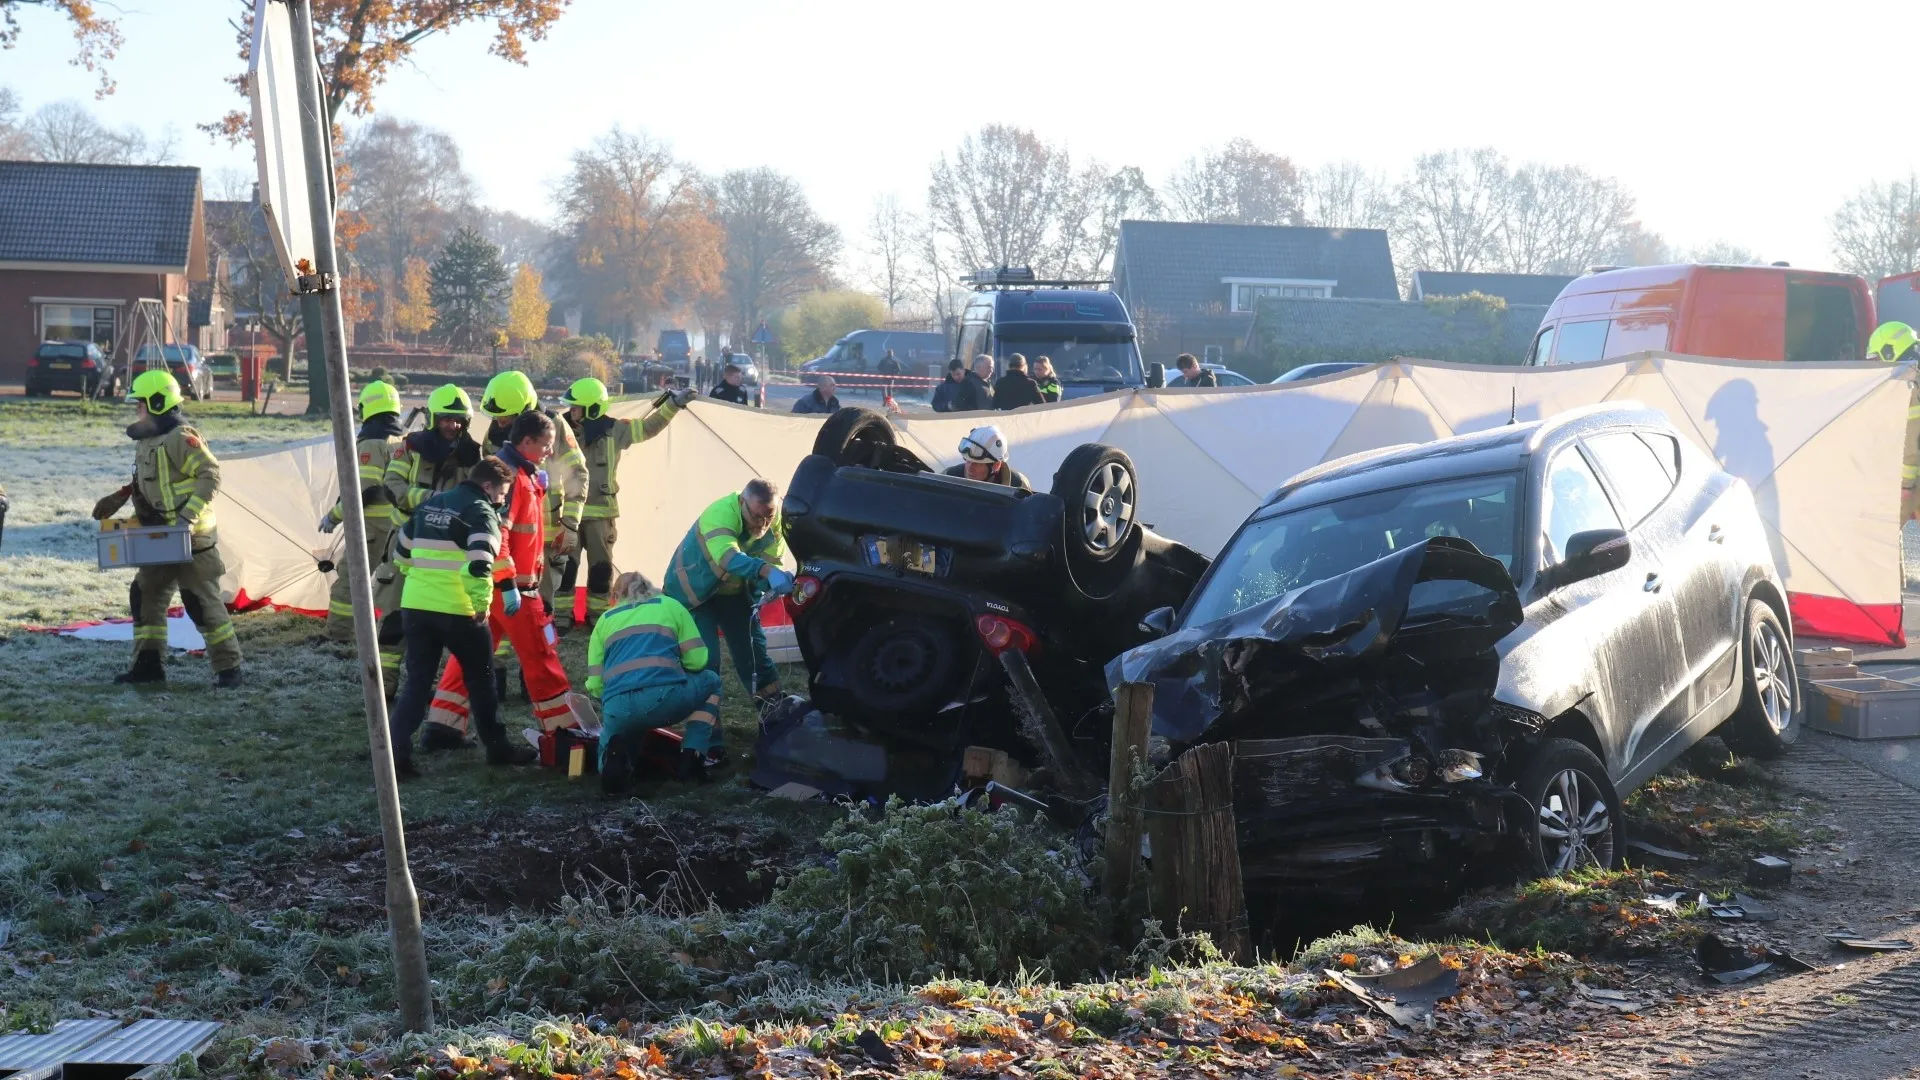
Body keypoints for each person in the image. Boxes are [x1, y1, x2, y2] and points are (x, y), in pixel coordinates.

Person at [421, 410, 577, 742]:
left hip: (493, 588)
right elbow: (499, 537)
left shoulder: (518, 474)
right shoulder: (514, 480)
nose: (551, 451)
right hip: (514, 590)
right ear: (527, 441)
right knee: (541, 657)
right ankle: (566, 731)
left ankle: (442, 727)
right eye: (547, 444)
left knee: (471, 656)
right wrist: (509, 585)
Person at [93, 370, 243, 687]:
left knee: (201, 604)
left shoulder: (180, 438)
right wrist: (122, 496)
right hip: (161, 539)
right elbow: (153, 484)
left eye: (141, 404)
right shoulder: (148, 440)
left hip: (193, 541)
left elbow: (210, 475)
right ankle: (148, 667)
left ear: (159, 403)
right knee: (145, 596)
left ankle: (229, 669)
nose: (137, 411)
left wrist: (187, 518)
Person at [388, 456, 533, 776]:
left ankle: (395, 755)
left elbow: (401, 554)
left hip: (416, 607)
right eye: (501, 494)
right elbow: (480, 564)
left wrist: (423, 581)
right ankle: (498, 749)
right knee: (482, 682)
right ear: (487, 486)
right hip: (458, 610)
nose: (503, 501)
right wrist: (481, 606)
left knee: (416, 684)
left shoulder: (431, 505)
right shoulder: (480, 512)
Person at [558, 376, 695, 628]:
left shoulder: (614, 430)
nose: (571, 411)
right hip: (568, 516)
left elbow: (648, 428)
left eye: (576, 407)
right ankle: (560, 618)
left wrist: (673, 405)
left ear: (592, 408)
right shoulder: (560, 429)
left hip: (601, 516)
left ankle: (597, 618)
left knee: (601, 570)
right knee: (566, 568)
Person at [375, 383, 483, 692]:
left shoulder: (473, 457)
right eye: (446, 419)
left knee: (448, 622)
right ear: (434, 418)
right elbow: (392, 485)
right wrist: (433, 499)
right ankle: (385, 686)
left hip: (447, 555)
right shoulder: (409, 447)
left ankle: (439, 688)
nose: (453, 426)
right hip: (404, 548)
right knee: (394, 619)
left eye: (459, 420)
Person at [663, 479, 794, 710]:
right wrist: (766, 571)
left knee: (754, 653)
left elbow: (772, 561)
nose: (763, 524)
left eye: (769, 516)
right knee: (706, 660)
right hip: (694, 594)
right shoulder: (720, 513)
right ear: (742, 502)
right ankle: (706, 737)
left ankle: (773, 713)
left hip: (733, 593)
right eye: (756, 517)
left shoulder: (775, 523)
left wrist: (772, 584)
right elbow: (727, 557)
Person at [589, 572, 726, 791]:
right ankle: (692, 754)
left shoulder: (604, 620)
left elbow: (595, 684)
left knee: (624, 728)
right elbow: (698, 660)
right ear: (650, 587)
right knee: (712, 681)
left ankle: (613, 764)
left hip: (618, 706)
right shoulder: (671, 606)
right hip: (666, 698)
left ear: (615, 595)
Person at [318, 379, 406, 642]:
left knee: (348, 583)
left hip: (372, 528)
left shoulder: (371, 444)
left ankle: (339, 635)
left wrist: (333, 516)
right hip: (395, 526)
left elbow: (364, 492)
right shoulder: (399, 440)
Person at [1870, 321, 1920, 521]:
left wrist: (1905, 484)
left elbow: (1911, 436)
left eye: (1878, 359)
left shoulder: (1910, 384)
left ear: (1891, 352)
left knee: (1882, 531)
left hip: (1912, 480)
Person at [942, 424, 1031, 490]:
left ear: (996, 465)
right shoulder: (947, 478)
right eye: (968, 460)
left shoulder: (1018, 485)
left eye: (977, 463)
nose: (970, 468)